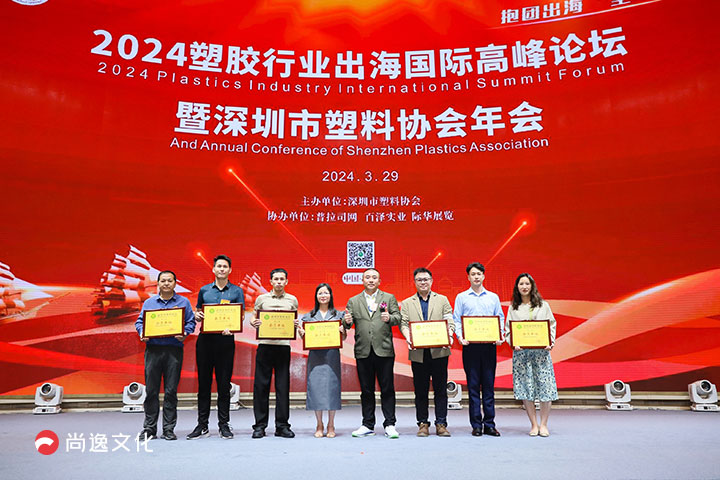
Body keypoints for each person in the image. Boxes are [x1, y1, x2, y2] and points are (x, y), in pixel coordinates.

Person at [187, 254, 245, 440]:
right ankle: (202, 425)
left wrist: (233, 326)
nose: (221, 269)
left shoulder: (236, 291)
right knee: (203, 384)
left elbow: (240, 316)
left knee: (223, 384)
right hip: (205, 341)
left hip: (225, 341)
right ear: (213, 269)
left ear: (230, 270)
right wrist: (197, 316)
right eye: (219, 266)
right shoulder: (204, 290)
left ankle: (224, 424)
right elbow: (199, 311)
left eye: (225, 266)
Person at [135, 270, 196, 441]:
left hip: (173, 351)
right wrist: (142, 333)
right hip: (153, 350)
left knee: (171, 391)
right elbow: (140, 322)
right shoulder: (149, 302)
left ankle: (169, 429)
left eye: (170, 280)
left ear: (175, 283)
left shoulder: (183, 302)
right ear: (158, 283)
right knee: (151, 391)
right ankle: (149, 428)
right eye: (163, 281)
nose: (166, 283)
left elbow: (190, 322)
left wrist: (185, 332)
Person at [343, 268, 401, 439]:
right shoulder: (353, 300)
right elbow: (347, 323)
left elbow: (398, 317)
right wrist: (346, 321)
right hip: (363, 350)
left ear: (379, 281)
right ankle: (367, 424)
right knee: (366, 390)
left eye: (374, 277)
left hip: (384, 350)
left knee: (387, 389)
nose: (370, 280)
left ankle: (390, 424)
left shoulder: (388, 298)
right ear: (362, 280)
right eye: (367, 277)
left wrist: (390, 318)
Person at [400, 267, 455, 437]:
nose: (423, 282)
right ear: (415, 282)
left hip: (439, 351)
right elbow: (404, 323)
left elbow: (449, 319)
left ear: (431, 281)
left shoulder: (442, 299)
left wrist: (449, 335)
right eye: (419, 280)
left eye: (426, 279)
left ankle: (441, 423)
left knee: (440, 389)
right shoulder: (407, 303)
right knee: (420, 390)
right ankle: (422, 423)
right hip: (418, 353)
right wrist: (408, 337)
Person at [453, 262, 504, 437]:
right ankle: (476, 425)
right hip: (470, 347)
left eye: (479, 274)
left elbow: (500, 318)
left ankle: (489, 424)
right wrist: (460, 337)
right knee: (473, 386)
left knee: (488, 386)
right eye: (473, 274)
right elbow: (457, 320)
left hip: (489, 346)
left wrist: (499, 336)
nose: (476, 277)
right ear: (468, 277)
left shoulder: (493, 297)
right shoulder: (461, 297)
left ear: (484, 276)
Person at [505, 273, 558, 437]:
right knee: (526, 389)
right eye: (521, 284)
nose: (524, 287)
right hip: (522, 355)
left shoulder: (543, 305)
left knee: (545, 388)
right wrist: (513, 343)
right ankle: (534, 424)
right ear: (517, 287)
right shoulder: (513, 307)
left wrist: (550, 342)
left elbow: (551, 325)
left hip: (541, 354)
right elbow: (508, 330)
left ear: (532, 286)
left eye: (527, 283)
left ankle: (544, 424)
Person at [249, 268, 298, 439]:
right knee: (261, 387)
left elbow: (294, 319)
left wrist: (295, 324)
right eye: (276, 279)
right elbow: (253, 316)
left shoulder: (292, 299)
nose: (278, 282)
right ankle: (259, 426)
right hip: (265, 346)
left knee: (282, 387)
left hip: (283, 346)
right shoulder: (262, 298)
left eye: (281, 279)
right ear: (270, 281)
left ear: (286, 281)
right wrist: (253, 322)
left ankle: (282, 426)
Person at [297, 283, 346, 438]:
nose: (323, 296)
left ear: (330, 296)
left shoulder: (339, 315)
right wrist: (302, 334)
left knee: (332, 389)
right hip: (315, 357)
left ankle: (331, 424)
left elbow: (343, 338)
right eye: (320, 293)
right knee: (316, 389)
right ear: (316, 296)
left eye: (326, 293)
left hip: (332, 356)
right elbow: (305, 339)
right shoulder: (308, 316)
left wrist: (343, 331)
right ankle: (319, 424)